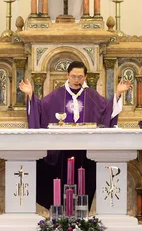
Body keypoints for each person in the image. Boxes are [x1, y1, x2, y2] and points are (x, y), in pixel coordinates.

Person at [19, 60, 131, 209]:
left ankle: (81, 214)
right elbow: (40, 109)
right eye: (73, 76)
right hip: (61, 152)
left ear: (85, 77)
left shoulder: (92, 96)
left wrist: (117, 93)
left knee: (85, 183)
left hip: (86, 151)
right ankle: (61, 214)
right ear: (67, 75)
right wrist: (31, 95)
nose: (77, 80)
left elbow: (106, 112)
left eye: (80, 77)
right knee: (60, 184)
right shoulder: (57, 95)